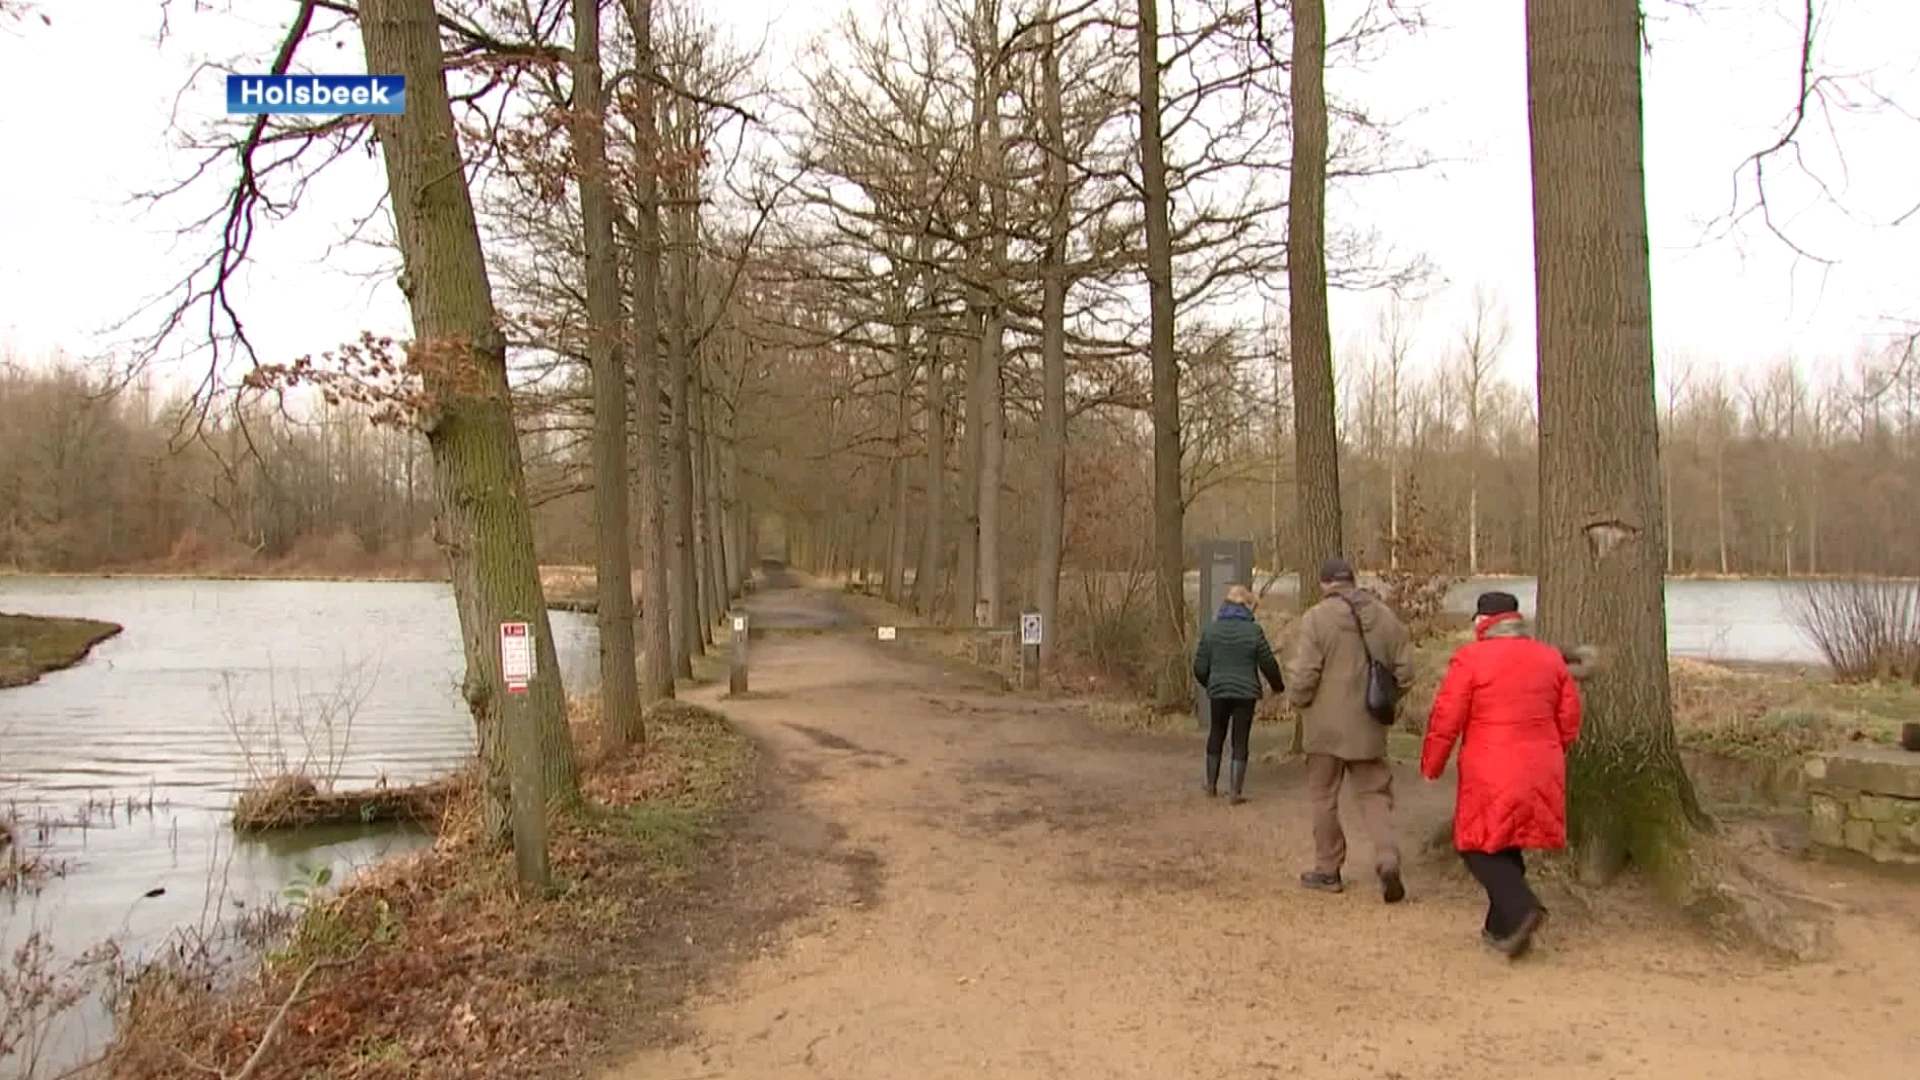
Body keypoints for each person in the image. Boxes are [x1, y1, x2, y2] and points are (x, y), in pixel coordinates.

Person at [1419, 591, 1583, 959]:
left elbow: (1447, 717)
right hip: (1543, 763)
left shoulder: (1471, 659)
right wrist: (1554, 751)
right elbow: (1570, 715)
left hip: (1491, 765)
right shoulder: (1549, 657)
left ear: (1482, 622)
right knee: (1506, 839)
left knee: (1473, 845)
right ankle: (1501, 926)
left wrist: (1432, 763)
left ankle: (1524, 907)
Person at [1284, 557, 1417, 903]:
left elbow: (1305, 674)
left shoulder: (1316, 618)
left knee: (1323, 796)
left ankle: (1328, 869)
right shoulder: (1385, 618)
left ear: (1324, 584)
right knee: (1375, 795)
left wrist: (1298, 701)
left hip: (1324, 726)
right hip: (1369, 724)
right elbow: (1405, 672)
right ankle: (1387, 859)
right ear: (1353, 581)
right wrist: (1386, 700)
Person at [1192, 584, 1285, 805]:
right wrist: (1278, 686)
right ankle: (1235, 791)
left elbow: (1199, 667)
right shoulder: (1253, 631)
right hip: (1246, 693)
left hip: (1219, 690)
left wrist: (1211, 683)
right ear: (1245, 606)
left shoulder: (1211, 629)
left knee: (1216, 732)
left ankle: (1211, 785)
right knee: (1240, 738)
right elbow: (1268, 663)